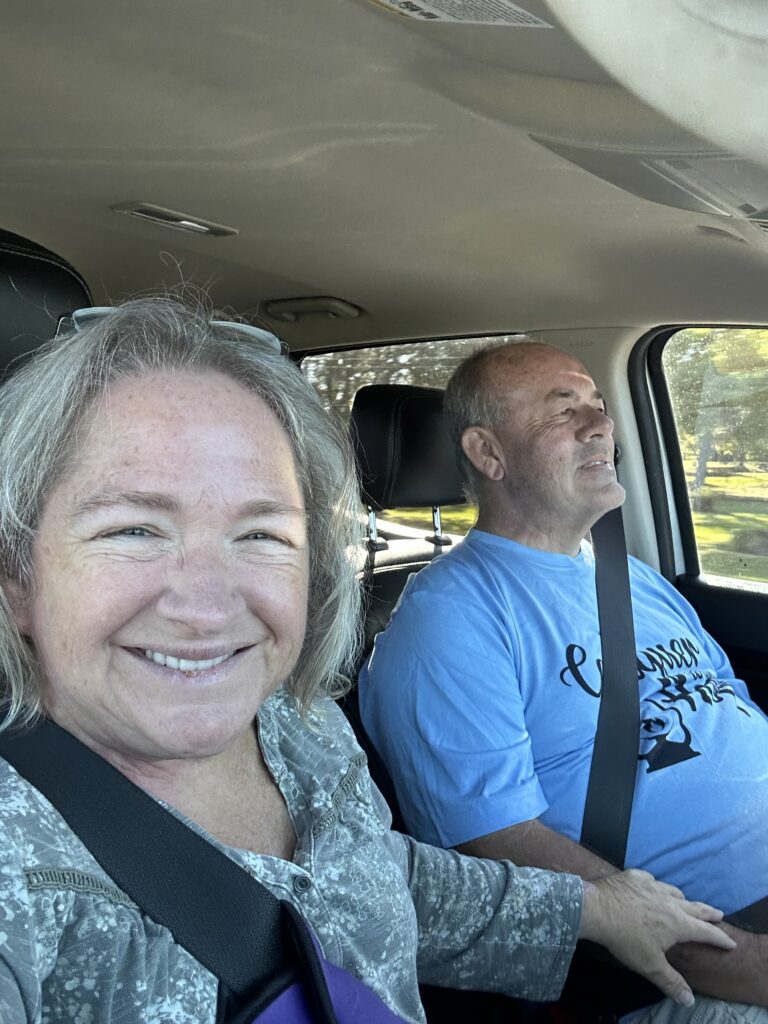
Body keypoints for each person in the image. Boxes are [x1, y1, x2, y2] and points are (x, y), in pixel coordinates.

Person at [0, 302, 733, 1023]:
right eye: (132, 528)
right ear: (17, 576)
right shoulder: (20, 865)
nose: (208, 608)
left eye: (262, 534)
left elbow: (374, 874)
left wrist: (590, 908)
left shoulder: (298, 719)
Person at [358, 339, 768, 1019]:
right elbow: (500, 849)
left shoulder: (636, 580)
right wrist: (746, 962)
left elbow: (730, 708)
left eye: (598, 406)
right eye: (562, 412)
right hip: (694, 954)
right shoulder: (449, 620)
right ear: (489, 455)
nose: (600, 425)